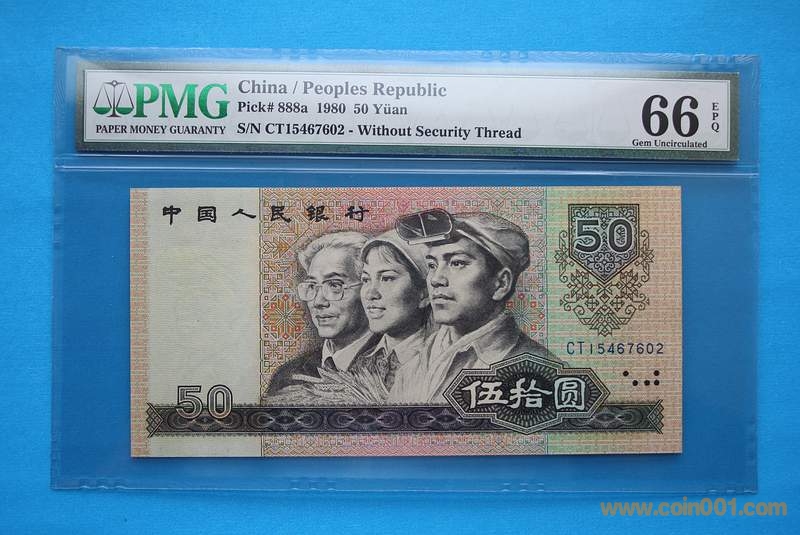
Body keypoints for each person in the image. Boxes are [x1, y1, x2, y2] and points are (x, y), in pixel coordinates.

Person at [396, 209, 553, 401]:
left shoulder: (540, 371)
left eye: (457, 263)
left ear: (501, 283)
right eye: (432, 265)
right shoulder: (415, 363)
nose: (436, 279)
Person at [266, 231, 377, 395]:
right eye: (312, 286)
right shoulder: (288, 377)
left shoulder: (395, 368)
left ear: (368, 289)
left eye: (335, 285)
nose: (318, 302)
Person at [348, 230, 432, 402]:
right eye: (366, 279)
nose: (370, 294)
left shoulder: (438, 362)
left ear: (424, 293)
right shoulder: (360, 363)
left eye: (387, 278)